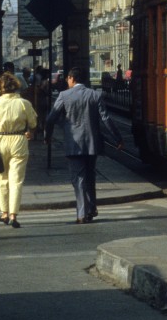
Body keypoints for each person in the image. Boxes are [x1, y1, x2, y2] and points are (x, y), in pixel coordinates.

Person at [45, 66, 124, 224]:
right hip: (92, 143)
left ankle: (82, 213)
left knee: (78, 178)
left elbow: (51, 118)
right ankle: (91, 208)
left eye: (67, 78)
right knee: (90, 176)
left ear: (72, 79)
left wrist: (48, 135)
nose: (67, 81)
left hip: (73, 144)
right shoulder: (95, 95)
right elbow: (106, 119)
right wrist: (118, 139)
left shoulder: (64, 95)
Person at [0, 72, 37, 228]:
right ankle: (14, 214)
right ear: (16, 86)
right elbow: (33, 122)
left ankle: (4, 213)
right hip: (19, 140)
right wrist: (29, 130)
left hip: (0, 141)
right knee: (16, 180)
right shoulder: (23, 103)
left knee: (2, 179)